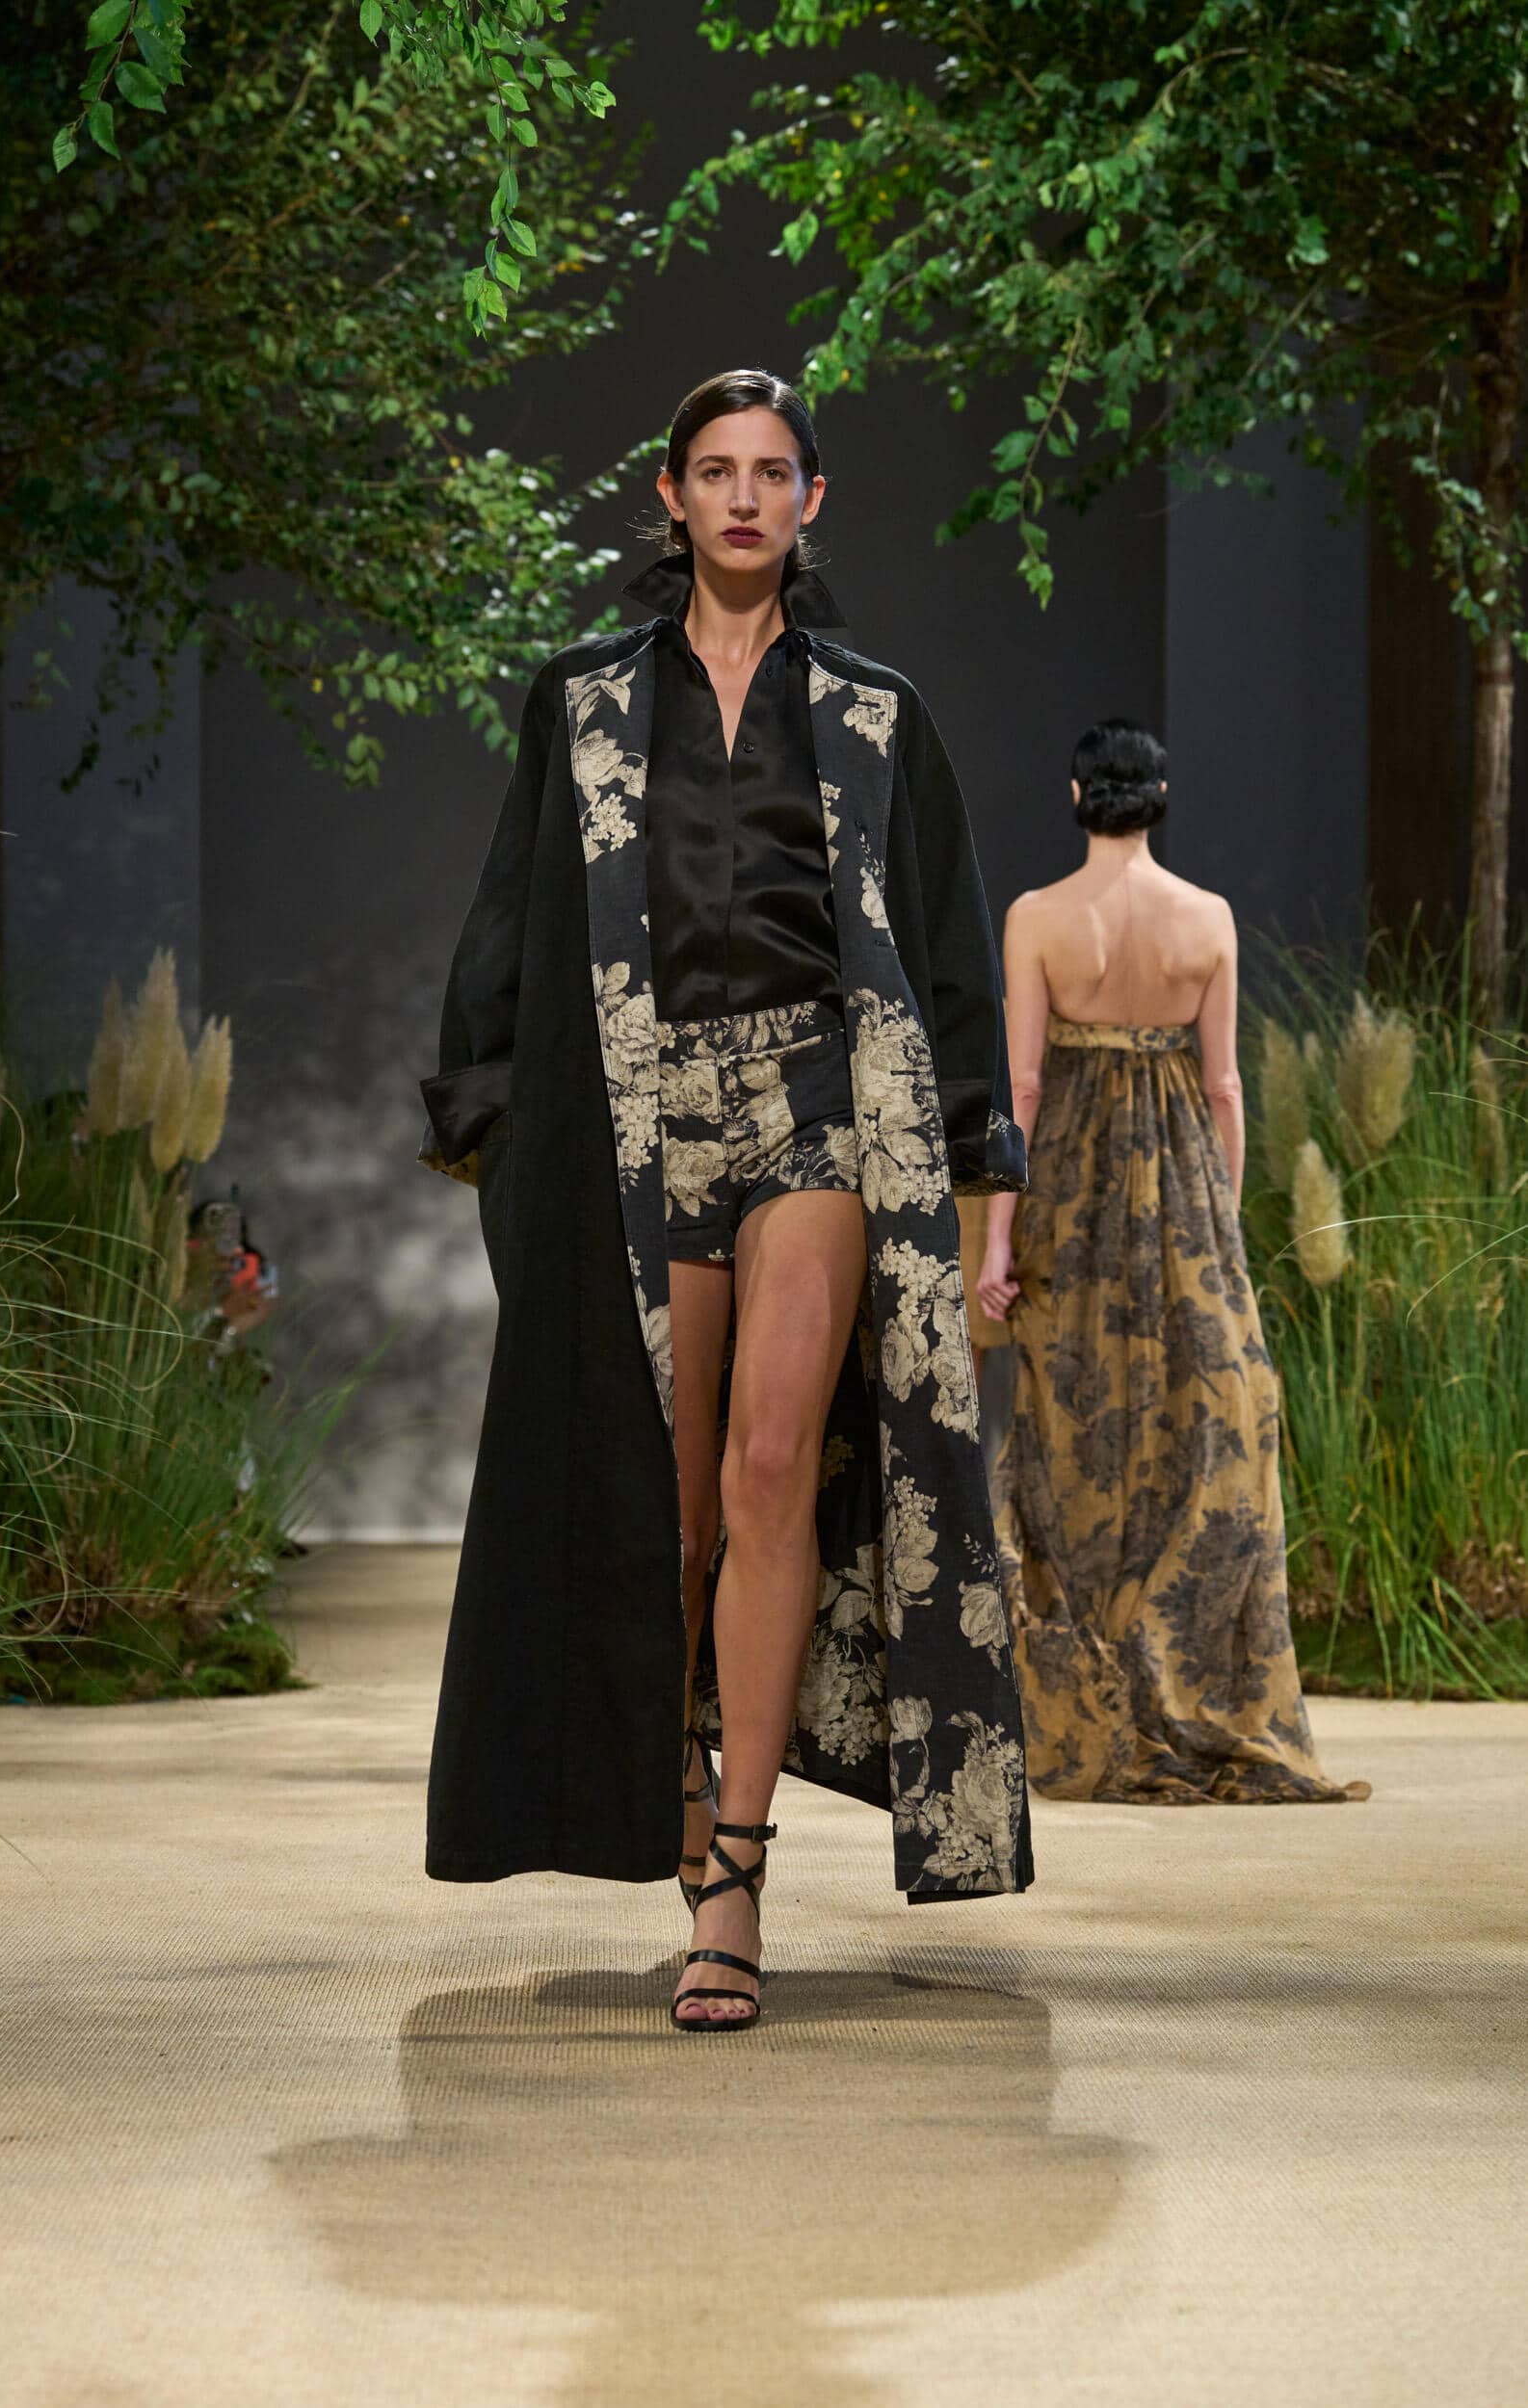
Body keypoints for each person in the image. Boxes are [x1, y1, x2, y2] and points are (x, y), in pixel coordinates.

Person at [418, 368, 1034, 2032]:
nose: (744, 497)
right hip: (640, 1115)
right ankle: (686, 1816)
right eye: (715, 470)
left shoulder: (876, 713)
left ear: (811, 499)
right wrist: (498, 1122)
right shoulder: (582, 704)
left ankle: (740, 1871)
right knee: (674, 1511)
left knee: (771, 1468)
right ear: (671, 495)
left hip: (815, 1102)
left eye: (772, 472)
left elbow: (942, 939)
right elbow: (515, 916)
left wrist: (970, 1166)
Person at [977, 720, 1367, 1805]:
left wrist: (998, 1235)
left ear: (1074, 795)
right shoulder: (1207, 918)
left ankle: (1084, 1688)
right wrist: (1219, 1221)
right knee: (1191, 1424)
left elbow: (1020, 1087)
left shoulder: (1036, 917)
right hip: (1184, 1187)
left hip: (1068, 1188)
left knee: (1073, 1426)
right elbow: (1224, 1085)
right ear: (1159, 797)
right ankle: (1180, 1676)